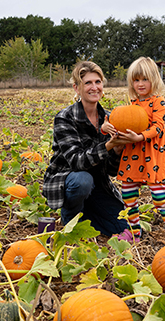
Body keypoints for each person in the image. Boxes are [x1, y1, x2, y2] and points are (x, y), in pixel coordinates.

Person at [43, 61, 130, 236]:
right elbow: (77, 162)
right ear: (77, 88)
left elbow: (111, 171)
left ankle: (87, 214)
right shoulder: (65, 118)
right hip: (70, 179)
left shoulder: (110, 119)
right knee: (82, 181)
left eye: (98, 82)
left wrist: (118, 151)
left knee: (124, 229)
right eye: (88, 83)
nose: (94, 87)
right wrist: (108, 145)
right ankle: (70, 216)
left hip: (98, 184)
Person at [101, 56, 165, 244]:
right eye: (136, 80)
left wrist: (140, 137)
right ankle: (134, 232)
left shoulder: (158, 102)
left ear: (153, 79)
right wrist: (107, 127)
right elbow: (122, 123)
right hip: (132, 156)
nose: (140, 84)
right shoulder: (132, 104)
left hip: (151, 155)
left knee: (160, 195)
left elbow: (159, 127)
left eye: (144, 79)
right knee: (128, 195)